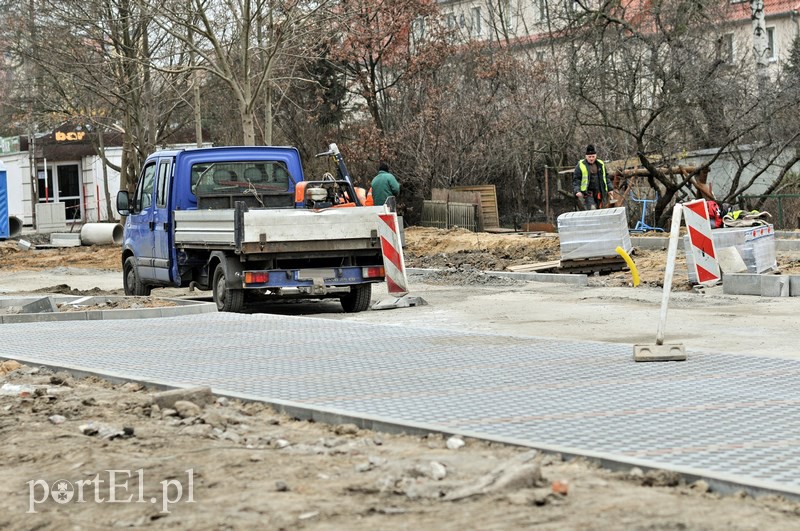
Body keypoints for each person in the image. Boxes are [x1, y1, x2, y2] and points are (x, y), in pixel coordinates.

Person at [573, 144, 613, 210]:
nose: (591, 158)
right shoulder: (581, 165)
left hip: (600, 192)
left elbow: (606, 177)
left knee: (601, 209)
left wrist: (610, 189)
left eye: (593, 156)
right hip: (587, 192)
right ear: (586, 156)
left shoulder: (601, 164)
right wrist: (577, 191)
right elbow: (576, 180)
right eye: (589, 157)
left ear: (596, 156)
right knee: (592, 209)